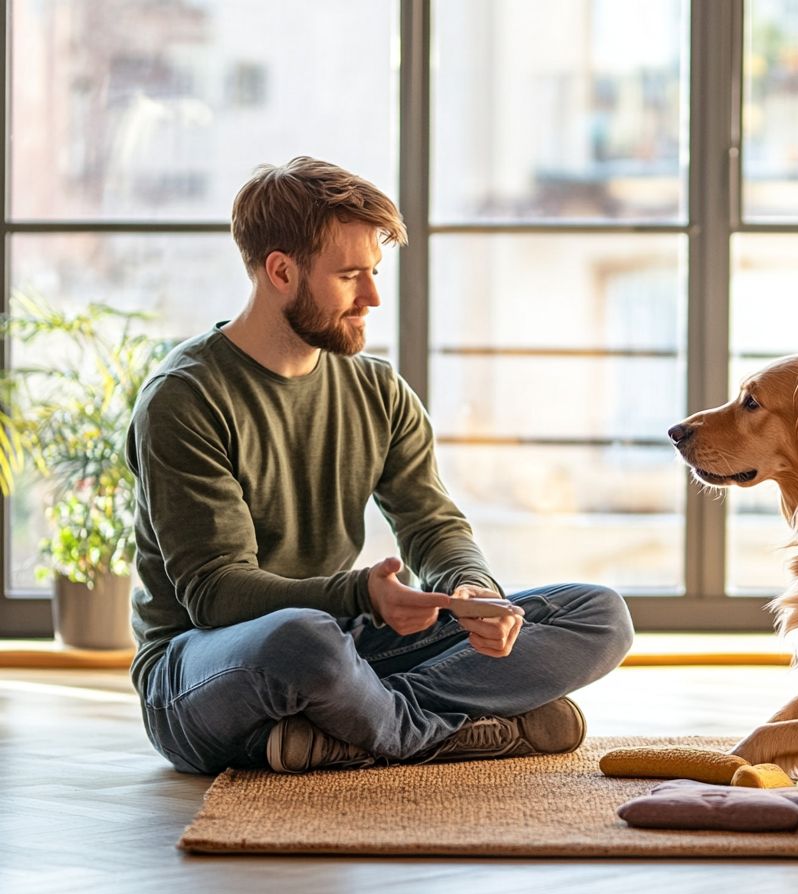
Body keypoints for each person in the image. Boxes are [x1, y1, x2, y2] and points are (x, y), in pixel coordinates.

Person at [125, 156, 634, 776]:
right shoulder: (186, 396)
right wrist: (359, 594)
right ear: (281, 271)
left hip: (350, 653)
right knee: (302, 640)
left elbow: (434, 526)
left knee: (600, 615)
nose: (373, 296)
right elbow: (215, 592)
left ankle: (349, 729)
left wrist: (470, 590)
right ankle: (439, 730)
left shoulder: (379, 391)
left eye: (373, 272)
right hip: (205, 669)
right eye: (349, 276)